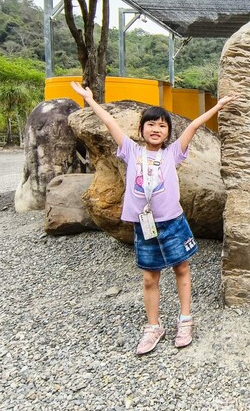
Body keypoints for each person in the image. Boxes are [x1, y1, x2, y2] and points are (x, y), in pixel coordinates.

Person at [70, 81, 236, 355]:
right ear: (141, 130)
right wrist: (90, 100)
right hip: (144, 225)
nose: (156, 129)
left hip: (172, 222)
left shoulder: (172, 154)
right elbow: (110, 123)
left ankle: (185, 319)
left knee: (181, 269)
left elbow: (193, 126)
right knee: (150, 277)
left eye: (162, 125)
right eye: (151, 124)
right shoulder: (131, 151)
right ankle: (153, 326)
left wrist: (217, 107)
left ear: (168, 132)